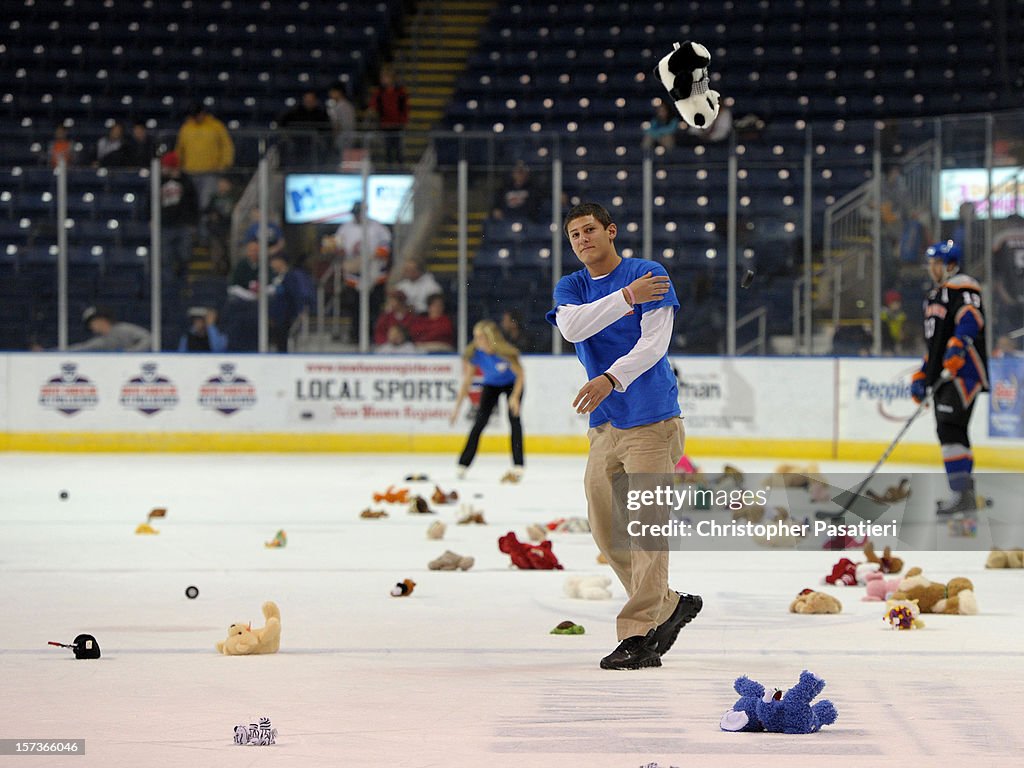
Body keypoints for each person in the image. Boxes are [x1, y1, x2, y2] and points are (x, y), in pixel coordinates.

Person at [545, 201, 702, 671]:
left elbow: (654, 343)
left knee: (646, 529)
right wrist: (626, 299)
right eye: (574, 235)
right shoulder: (571, 285)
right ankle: (668, 604)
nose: (582, 240)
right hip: (604, 425)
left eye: (589, 230)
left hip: (651, 418)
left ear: (611, 231)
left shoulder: (648, 272)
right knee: (605, 526)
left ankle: (638, 635)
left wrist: (611, 378)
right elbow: (573, 327)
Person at [910, 241, 989, 515]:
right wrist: (924, 373)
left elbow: (971, 319)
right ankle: (965, 492)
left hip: (963, 372)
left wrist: (958, 348)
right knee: (954, 431)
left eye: (937, 263)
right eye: (930, 263)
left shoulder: (963, 286)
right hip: (946, 372)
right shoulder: (934, 296)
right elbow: (935, 344)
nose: (931, 269)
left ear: (951, 265)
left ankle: (962, 494)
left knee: (949, 429)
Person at [450, 319, 524, 483]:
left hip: (512, 384)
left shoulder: (504, 352)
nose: (477, 341)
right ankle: (463, 463)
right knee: (479, 422)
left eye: (481, 337)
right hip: (491, 385)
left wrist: (515, 397)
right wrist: (456, 408)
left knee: (514, 421)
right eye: (475, 337)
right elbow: (467, 381)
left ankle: (518, 464)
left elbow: (520, 374)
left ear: (490, 337)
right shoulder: (475, 354)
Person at [323, 201, 391, 344]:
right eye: (355, 213)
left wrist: (370, 257)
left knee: (374, 307)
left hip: (375, 273)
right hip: (354, 274)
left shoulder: (378, 228)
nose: (357, 216)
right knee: (355, 308)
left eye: (359, 213)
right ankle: (356, 336)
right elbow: (336, 246)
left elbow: (385, 248)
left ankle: (374, 336)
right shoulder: (345, 228)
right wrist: (334, 248)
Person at [174, 103, 235, 222]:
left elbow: (227, 146)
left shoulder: (216, 126)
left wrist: (224, 165)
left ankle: (205, 233)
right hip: (189, 172)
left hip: (210, 172)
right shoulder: (187, 127)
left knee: (206, 204)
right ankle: (194, 231)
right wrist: (178, 165)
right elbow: (180, 149)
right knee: (192, 204)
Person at [157, 151, 200, 279]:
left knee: (185, 255)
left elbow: (193, 202)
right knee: (165, 258)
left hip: (183, 223)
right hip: (165, 224)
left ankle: (183, 282)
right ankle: (168, 286)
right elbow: (151, 199)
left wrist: (193, 222)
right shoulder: (159, 180)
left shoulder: (186, 180)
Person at [268, 253, 314, 353]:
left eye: (273, 261)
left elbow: (296, 294)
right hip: (275, 314)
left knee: (283, 339)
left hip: (285, 315)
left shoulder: (291, 277)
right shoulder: (275, 276)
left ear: (281, 262)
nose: (271, 264)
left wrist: (300, 310)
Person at [277, 89, 333, 165]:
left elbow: (327, 129)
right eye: (307, 100)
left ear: (315, 101)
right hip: (297, 142)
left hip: (315, 144)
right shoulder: (295, 112)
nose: (308, 102)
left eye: (311, 100)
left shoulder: (321, 114)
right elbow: (281, 122)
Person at [368, 64, 409, 166]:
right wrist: (372, 112)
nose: (383, 79)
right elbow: (373, 106)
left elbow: (405, 108)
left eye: (385, 77)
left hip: (398, 125)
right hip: (384, 125)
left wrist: (404, 122)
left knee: (399, 151)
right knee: (387, 151)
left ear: (392, 78)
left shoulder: (400, 92)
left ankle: (401, 169)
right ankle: (389, 169)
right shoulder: (379, 92)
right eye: (382, 77)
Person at [992, 214, 1024, 338]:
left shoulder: (1001, 238)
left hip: (1010, 291)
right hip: (1012, 290)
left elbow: (996, 272)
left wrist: (1003, 294)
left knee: (1008, 331)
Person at [67, 306, 151, 352]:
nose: (92, 327)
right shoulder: (101, 341)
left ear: (102, 320)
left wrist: (132, 352)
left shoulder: (124, 329)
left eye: (92, 323)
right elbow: (83, 347)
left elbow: (148, 337)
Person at [326, 82, 357, 159]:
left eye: (332, 92)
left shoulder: (342, 106)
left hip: (344, 138)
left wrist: (333, 138)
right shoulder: (342, 105)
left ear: (339, 92)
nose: (330, 94)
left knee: (343, 161)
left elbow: (337, 125)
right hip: (344, 138)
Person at [880, 289, 907, 354]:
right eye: (894, 302)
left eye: (898, 302)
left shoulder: (902, 316)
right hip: (885, 345)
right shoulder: (883, 315)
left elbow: (903, 332)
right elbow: (884, 334)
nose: (896, 304)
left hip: (898, 344)